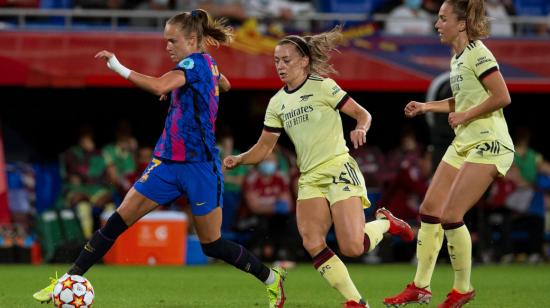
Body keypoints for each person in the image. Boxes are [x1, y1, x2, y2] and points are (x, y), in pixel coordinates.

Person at [33, 9, 287, 308]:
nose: (167, 46)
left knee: (212, 245)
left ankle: (272, 279)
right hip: (166, 163)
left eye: (172, 40)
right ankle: (66, 282)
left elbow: (157, 85)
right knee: (115, 222)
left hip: (201, 167)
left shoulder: (192, 62)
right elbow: (225, 84)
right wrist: (192, 91)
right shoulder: (204, 65)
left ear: (192, 40)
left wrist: (117, 66)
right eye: (165, 40)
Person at [223, 26, 414, 308]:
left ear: (304, 61)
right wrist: (240, 159)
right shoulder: (277, 103)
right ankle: (356, 301)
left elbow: (363, 113)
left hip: (337, 167)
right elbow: (264, 148)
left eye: (286, 60)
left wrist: (361, 127)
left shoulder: (323, 86)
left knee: (352, 247)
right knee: (312, 241)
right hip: (310, 176)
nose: (280, 66)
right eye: (277, 61)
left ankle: (386, 223)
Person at [383, 1, 515, 307]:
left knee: (451, 216)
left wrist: (467, 116)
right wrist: (428, 106)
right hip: (465, 140)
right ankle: (420, 286)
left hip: (489, 142)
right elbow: (466, 98)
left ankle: (462, 289)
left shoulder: (479, 52)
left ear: (460, 24)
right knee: (429, 211)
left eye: (442, 18)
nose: (436, 24)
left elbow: (502, 96)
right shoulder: (458, 58)